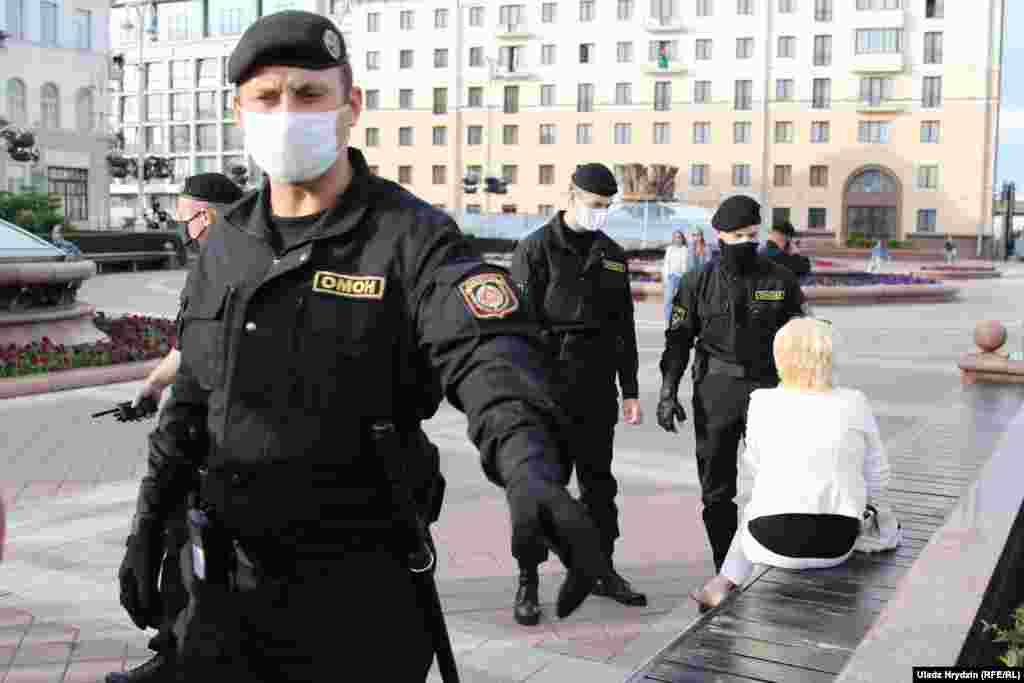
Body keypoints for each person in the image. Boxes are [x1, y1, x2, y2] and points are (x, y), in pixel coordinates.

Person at [135, 12, 603, 681]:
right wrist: (149, 521)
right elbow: (191, 397)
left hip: (356, 597)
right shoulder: (226, 242)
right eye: (266, 98)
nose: (286, 113)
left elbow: (487, 351)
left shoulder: (410, 237)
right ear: (240, 111)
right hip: (221, 595)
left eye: (309, 94)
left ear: (350, 105)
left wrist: (529, 464)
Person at [108, 173, 245, 683]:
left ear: (205, 216)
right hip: (215, 431)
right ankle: (180, 649)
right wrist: (150, 387)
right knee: (187, 544)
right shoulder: (227, 262)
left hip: (219, 437)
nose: (181, 229)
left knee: (191, 544)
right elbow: (189, 348)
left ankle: (182, 657)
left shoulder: (231, 266)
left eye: (184, 218)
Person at [509, 163, 647, 626]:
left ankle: (603, 570)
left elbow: (624, 328)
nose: (600, 212)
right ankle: (528, 580)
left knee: (599, 486)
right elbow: (517, 326)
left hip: (595, 387)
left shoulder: (612, 255)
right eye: (594, 204)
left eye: (607, 206)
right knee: (538, 489)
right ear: (571, 196)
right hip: (546, 387)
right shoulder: (535, 249)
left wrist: (630, 389)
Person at [689, 318, 899, 611]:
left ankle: (722, 583)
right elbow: (878, 476)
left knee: (756, 504)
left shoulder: (762, 401)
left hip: (769, 542)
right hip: (837, 544)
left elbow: (754, 471)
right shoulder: (855, 401)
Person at [656, 195, 806, 573]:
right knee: (716, 487)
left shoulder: (780, 279)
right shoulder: (696, 281)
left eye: (752, 235)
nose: (746, 242)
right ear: (719, 236)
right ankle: (724, 565)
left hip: (769, 392)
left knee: (779, 478)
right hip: (716, 391)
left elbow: (801, 339)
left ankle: (772, 558)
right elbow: (678, 341)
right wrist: (667, 392)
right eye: (737, 236)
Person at [662, 231, 689, 326]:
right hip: (671, 276)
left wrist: (685, 279)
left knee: (680, 301)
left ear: (682, 239)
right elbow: (666, 264)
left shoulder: (685, 249)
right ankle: (668, 321)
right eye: (676, 237)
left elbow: (685, 265)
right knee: (668, 300)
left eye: (679, 237)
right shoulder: (669, 249)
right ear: (673, 239)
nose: (678, 239)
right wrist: (665, 278)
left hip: (681, 277)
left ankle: (677, 322)